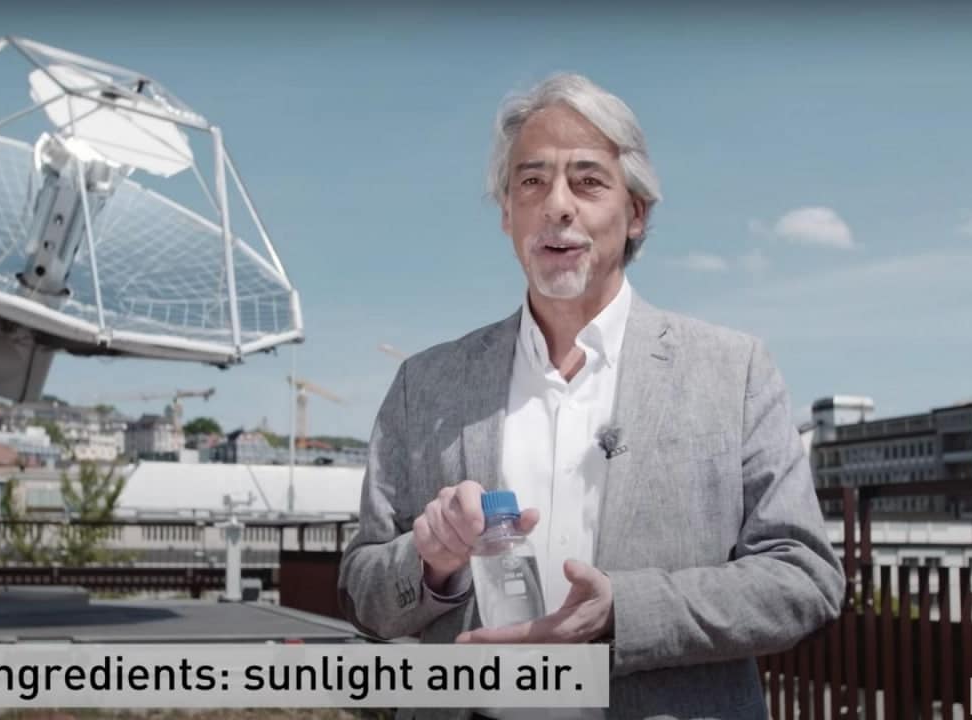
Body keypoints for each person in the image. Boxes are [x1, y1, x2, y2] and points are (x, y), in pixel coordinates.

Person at [336, 72, 845, 719]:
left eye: (588, 181)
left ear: (636, 213)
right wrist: (429, 562)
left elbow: (804, 577)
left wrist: (623, 613)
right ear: (506, 213)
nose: (557, 205)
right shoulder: (425, 385)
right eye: (531, 181)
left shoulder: (734, 372)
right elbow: (362, 592)